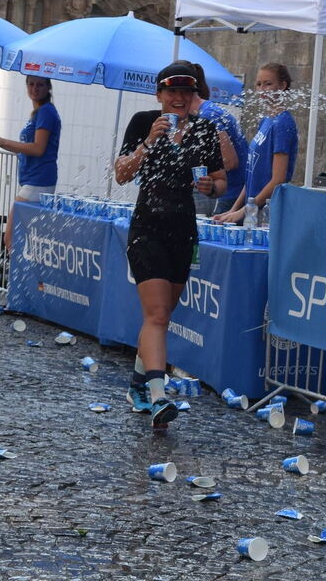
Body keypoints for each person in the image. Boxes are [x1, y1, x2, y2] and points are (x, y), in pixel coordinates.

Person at [114, 62, 227, 428]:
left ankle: (137, 386)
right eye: (171, 91)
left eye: (185, 91)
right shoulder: (143, 121)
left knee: (161, 317)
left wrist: (213, 186)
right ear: (159, 94)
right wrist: (150, 141)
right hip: (147, 226)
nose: (178, 98)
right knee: (157, 315)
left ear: (193, 95)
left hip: (184, 230)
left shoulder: (205, 130)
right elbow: (121, 173)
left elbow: (221, 179)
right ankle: (160, 398)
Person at [214, 62, 299, 224]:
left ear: (282, 86)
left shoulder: (283, 123)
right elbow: (252, 174)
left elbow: (278, 179)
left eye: (268, 84)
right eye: (259, 84)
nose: (262, 89)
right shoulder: (266, 120)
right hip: (252, 211)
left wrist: (245, 210)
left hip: (267, 213)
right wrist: (234, 209)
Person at [0, 76, 61, 252]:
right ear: (26, 86)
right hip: (34, 180)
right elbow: (27, 149)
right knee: (27, 239)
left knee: (12, 238)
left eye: (40, 85)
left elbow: (38, 148)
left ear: (48, 87)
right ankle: (32, 280)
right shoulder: (41, 112)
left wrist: (0, 141)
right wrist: (0, 142)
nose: (35, 89)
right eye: (31, 84)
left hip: (38, 181)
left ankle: (24, 280)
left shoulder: (46, 112)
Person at [186, 62, 246, 216]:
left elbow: (230, 162)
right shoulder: (209, 110)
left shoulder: (207, 116)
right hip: (235, 191)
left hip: (230, 194)